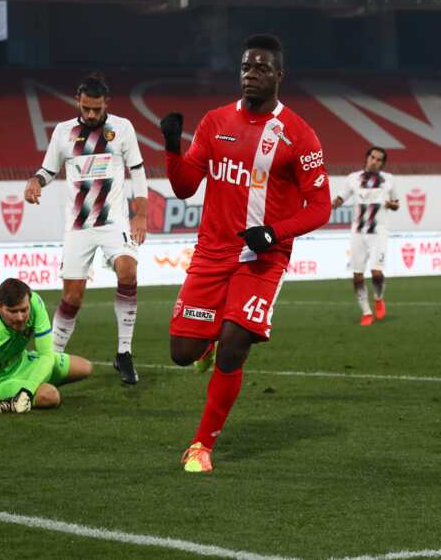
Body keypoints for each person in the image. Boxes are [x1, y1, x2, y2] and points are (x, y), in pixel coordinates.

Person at [159, 34, 331, 473]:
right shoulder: (216, 122)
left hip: (262, 258)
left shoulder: (299, 134)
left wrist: (273, 234)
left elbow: (321, 207)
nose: (250, 75)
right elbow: (184, 187)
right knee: (181, 352)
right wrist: (172, 146)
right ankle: (206, 350)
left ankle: (201, 445)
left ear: (278, 75)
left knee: (235, 343)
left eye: (260, 69)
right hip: (212, 253)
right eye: (245, 68)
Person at [24, 73, 148, 385]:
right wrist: (35, 181)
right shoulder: (63, 133)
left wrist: (141, 215)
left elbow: (138, 171)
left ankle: (124, 353)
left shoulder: (122, 129)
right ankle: (49, 361)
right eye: (85, 108)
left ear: (106, 103)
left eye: (96, 109)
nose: (91, 114)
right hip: (78, 227)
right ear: (78, 102)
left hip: (114, 222)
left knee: (128, 271)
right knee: (73, 297)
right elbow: (47, 170)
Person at [0, 278, 92, 413]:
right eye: (13, 311)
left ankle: (30, 386)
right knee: (50, 396)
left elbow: (46, 355)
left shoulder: (35, 304)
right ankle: (16, 395)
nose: (20, 317)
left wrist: (27, 390)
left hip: (21, 364)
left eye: (24, 310)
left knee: (84, 367)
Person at [332, 147, 399, 325]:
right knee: (357, 276)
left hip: (379, 232)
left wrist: (390, 204)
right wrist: (328, 205)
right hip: (358, 233)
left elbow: (396, 204)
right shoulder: (353, 178)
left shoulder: (389, 180)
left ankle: (378, 297)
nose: (374, 161)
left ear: (382, 163)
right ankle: (366, 312)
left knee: (376, 272)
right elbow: (340, 199)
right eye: (372, 157)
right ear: (367, 158)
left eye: (378, 159)